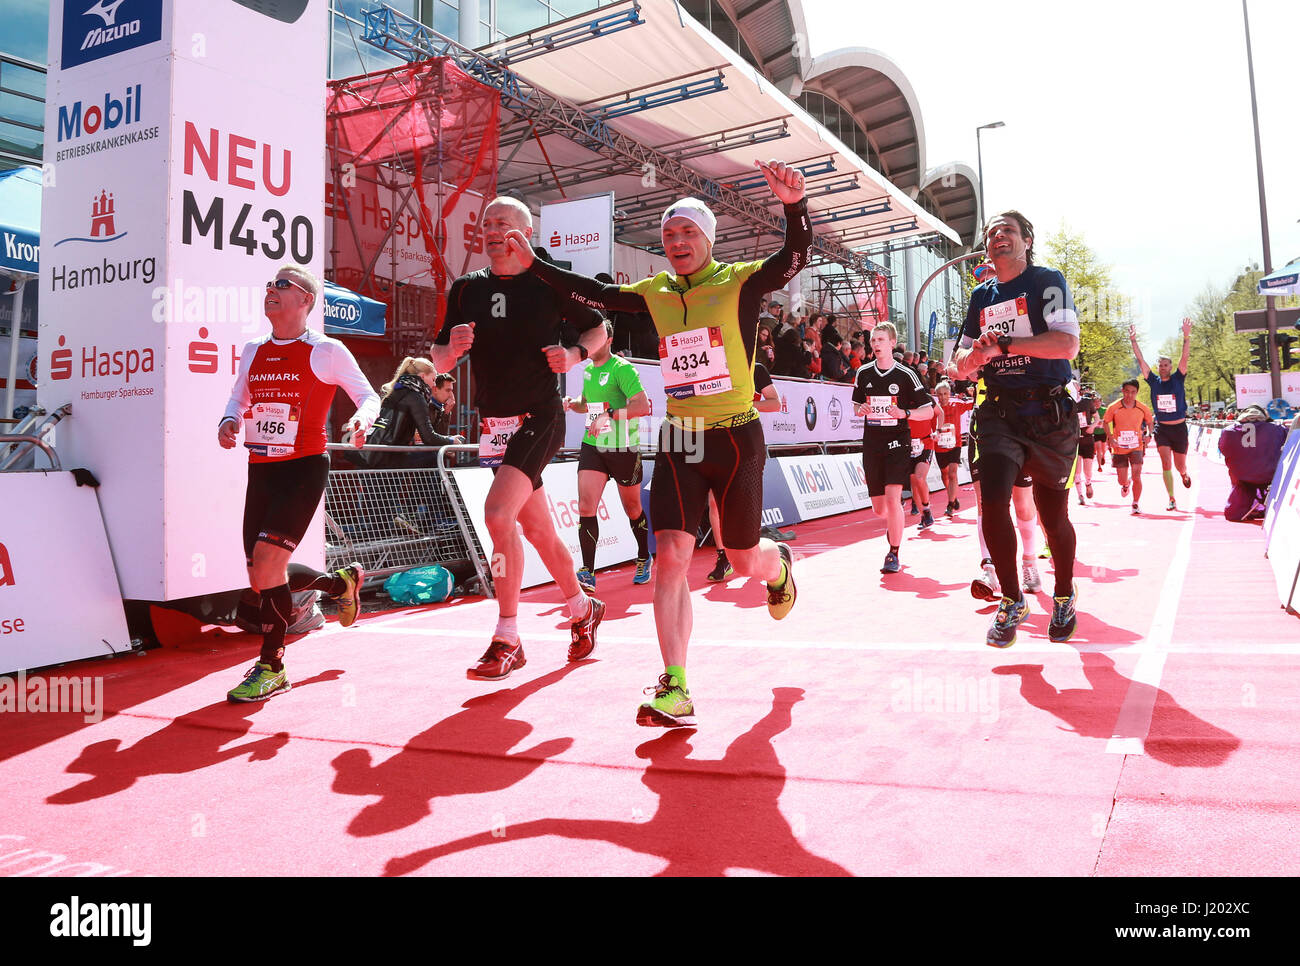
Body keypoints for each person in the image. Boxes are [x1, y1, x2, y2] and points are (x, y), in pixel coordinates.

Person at [511, 159, 810, 727]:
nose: (676, 241)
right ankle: (676, 684)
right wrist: (537, 266)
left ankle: (778, 569)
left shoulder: (739, 280)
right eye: (669, 234)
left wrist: (793, 207)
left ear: (709, 240)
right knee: (671, 557)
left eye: (688, 232)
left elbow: (794, 259)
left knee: (744, 558)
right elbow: (594, 292)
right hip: (680, 439)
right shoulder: (654, 292)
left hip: (737, 438)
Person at [431, 196, 608, 682]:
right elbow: (440, 359)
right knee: (538, 531)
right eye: (487, 224)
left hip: (541, 415)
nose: (493, 231)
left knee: (495, 514)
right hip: (496, 425)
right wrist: (453, 349)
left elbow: (600, 329)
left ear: (525, 233)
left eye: (503, 224)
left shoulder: (548, 282)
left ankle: (507, 637)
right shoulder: (466, 288)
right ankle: (581, 606)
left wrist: (573, 355)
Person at [218, 264, 380, 702]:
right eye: (269, 283)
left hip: (304, 467)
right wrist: (230, 418)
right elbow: (239, 395)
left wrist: (362, 419)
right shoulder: (254, 348)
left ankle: (271, 667)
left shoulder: (326, 350)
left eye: (283, 285)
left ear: (306, 300)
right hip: (262, 466)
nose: (271, 289)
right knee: (259, 575)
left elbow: (368, 395)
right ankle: (338, 583)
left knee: (268, 561)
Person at [953, 211, 1081, 647]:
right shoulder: (980, 296)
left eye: (1006, 230)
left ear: (1026, 239)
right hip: (999, 414)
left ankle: (1063, 593)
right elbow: (961, 362)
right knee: (992, 505)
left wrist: (1005, 345)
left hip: (1049, 414)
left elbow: (1067, 343)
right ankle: (1012, 600)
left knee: (1052, 516)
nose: (997, 236)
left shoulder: (1047, 281)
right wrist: (972, 361)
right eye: (990, 232)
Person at [563, 319, 654, 590]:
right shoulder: (588, 370)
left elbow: (642, 406)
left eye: (595, 338)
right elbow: (586, 404)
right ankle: (587, 572)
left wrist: (610, 415)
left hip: (622, 447)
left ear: (608, 340)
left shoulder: (622, 368)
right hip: (593, 445)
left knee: (632, 508)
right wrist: (571, 403)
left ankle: (643, 556)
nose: (588, 343)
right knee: (585, 506)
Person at [852, 321, 935, 573]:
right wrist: (862, 409)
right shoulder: (863, 373)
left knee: (893, 497)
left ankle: (893, 552)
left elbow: (928, 410)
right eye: (873, 340)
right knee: (880, 509)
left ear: (891, 343)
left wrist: (904, 412)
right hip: (872, 442)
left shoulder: (906, 374)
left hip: (898, 441)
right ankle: (895, 523)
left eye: (880, 340)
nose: (875, 344)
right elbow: (856, 406)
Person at [707, 360, 782, 582]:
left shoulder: (755, 369)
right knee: (714, 501)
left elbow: (775, 403)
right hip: (714, 438)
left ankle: (757, 551)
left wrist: (745, 405)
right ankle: (723, 557)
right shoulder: (710, 367)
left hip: (746, 442)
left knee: (745, 502)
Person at [1131, 317, 1194, 510]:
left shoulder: (1178, 377)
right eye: (1160, 365)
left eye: (1165, 365)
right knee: (1166, 463)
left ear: (1171, 366)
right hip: (1163, 429)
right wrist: (1133, 341)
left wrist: (1186, 336)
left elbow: (1185, 357)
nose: (1162, 368)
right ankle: (1172, 498)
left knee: (1179, 465)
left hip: (1180, 428)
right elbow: (1141, 360)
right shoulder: (1153, 381)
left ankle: (1184, 474)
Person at [364, 357, 464, 467]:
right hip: (388, 460)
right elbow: (428, 437)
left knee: (434, 455)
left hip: (376, 456)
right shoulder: (416, 397)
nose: (434, 384)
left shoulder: (396, 390)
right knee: (435, 455)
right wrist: (451, 441)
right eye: (433, 380)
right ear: (422, 377)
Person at [1219, 406, 1287, 521]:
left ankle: (1241, 506)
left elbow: (1223, 450)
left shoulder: (1228, 431)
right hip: (1270, 475)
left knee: (1236, 474)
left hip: (1241, 476)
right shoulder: (1278, 428)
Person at [1103, 380, 1154, 516]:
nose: (1129, 395)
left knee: (1137, 475)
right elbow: (1105, 422)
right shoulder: (1114, 407)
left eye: (1133, 392)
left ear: (1136, 393)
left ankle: (1135, 503)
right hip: (1119, 448)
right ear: (1122, 390)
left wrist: (1149, 434)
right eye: (1127, 391)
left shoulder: (1142, 408)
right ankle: (1126, 484)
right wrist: (1110, 437)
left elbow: (1150, 422)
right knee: (1121, 480)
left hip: (1136, 446)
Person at [932, 380, 974, 517]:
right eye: (940, 394)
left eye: (945, 394)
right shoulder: (934, 408)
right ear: (936, 395)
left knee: (952, 473)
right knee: (945, 474)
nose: (943, 397)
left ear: (949, 393)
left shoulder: (956, 405)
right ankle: (953, 497)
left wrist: (973, 394)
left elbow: (975, 404)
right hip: (939, 446)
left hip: (955, 445)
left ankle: (950, 504)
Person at [905, 388, 942, 530]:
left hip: (925, 443)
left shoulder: (925, 397)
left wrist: (937, 430)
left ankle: (926, 509)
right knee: (914, 482)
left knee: (920, 477)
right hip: (907, 445)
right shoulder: (900, 399)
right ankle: (924, 516)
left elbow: (940, 413)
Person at [1074, 385, 1101, 504]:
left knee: (1087, 470)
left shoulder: (1087, 402)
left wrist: (1093, 426)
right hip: (1074, 441)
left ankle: (1088, 482)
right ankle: (1080, 495)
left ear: (1078, 389)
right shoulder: (1066, 403)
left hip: (1087, 439)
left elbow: (1097, 418)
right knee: (1077, 470)